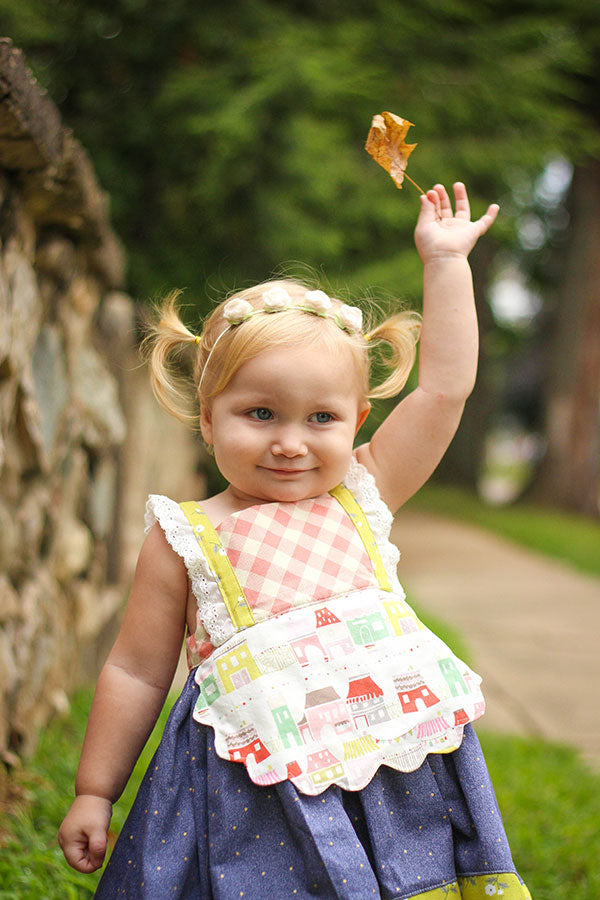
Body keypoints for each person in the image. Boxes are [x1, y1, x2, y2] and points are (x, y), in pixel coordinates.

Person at [59, 183, 531, 899]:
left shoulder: (362, 493)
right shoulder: (188, 536)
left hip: (395, 771)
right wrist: (96, 790)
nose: (289, 443)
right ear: (209, 419)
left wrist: (445, 265)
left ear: (357, 420)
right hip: (252, 790)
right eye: (259, 413)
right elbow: (135, 671)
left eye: (320, 418)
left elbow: (443, 391)